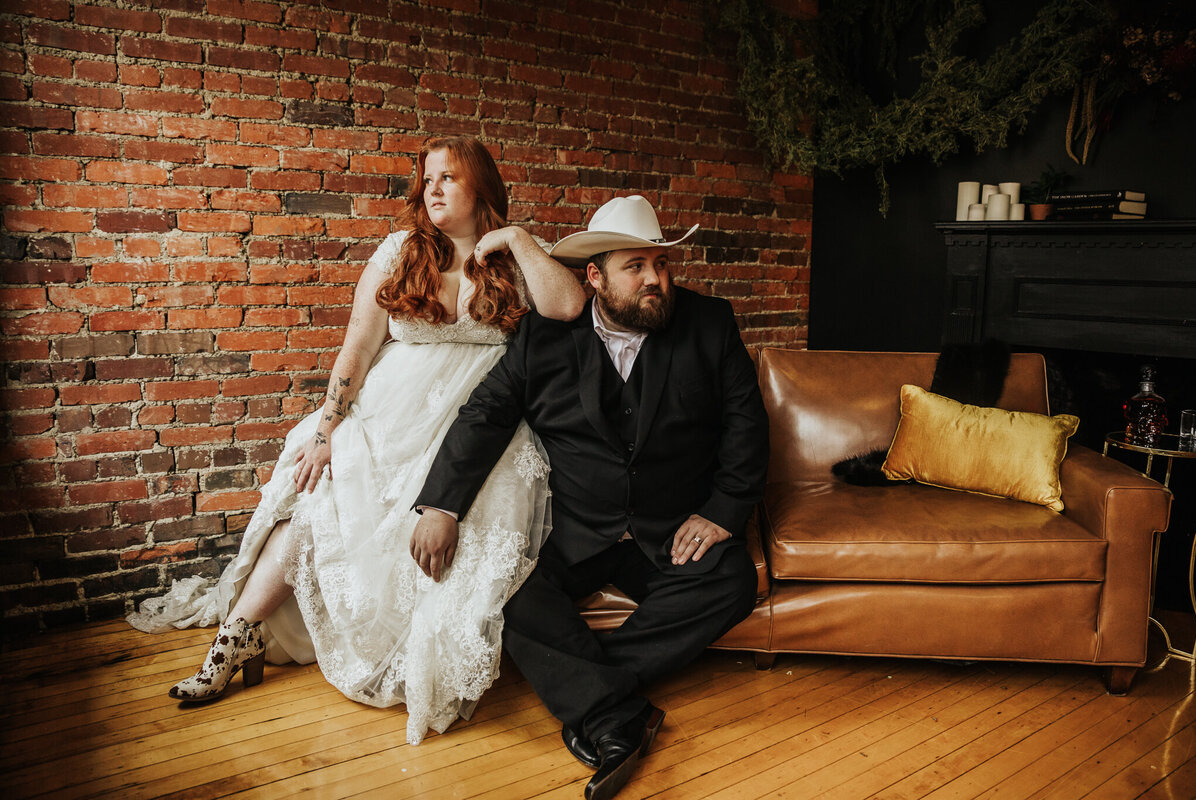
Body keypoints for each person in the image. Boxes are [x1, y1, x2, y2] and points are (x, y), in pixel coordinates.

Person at [128, 135, 587, 746]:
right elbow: (359, 347)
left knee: (453, 538)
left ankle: (405, 655)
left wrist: (522, 241)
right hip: (387, 415)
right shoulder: (401, 251)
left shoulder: (513, 259)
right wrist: (326, 430)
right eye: (427, 179)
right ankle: (231, 643)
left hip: (474, 430)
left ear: (482, 187)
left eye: (449, 177)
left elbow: (570, 306)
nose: (434, 188)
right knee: (316, 501)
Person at [411, 194, 770, 800]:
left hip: (671, 528)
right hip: (576, 530)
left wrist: (720, 511)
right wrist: (442, 505)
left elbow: (747, 426)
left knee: (731, 580)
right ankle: (618, 716)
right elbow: (487, 414)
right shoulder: (544, 338)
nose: (656, 279)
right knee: (510, 593)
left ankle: (592, 695)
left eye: (661, 264)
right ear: (596, 277)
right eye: (637, 267)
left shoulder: (709, 324)